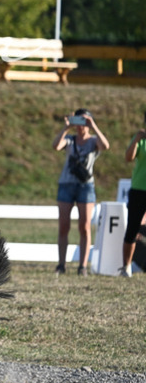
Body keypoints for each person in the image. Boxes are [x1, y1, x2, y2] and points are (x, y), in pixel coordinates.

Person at [52, 108, 110, 275]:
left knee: (84, 227)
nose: (80, 126)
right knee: (64, 226)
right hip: (66, 185)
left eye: (83, 122)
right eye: (78, 122)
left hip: (86, 186)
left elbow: (105, 146)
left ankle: (82, 266)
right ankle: (61, 265)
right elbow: (56, 146)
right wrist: (66, 128)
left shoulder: (93, 141)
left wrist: (94, 126)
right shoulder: (69, 140)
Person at [120, 111, 146, 277]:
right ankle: (126, 266)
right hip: (139, 189)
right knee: (132, 228)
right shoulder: (141, 138)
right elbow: (128, 158)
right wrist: (137, 139)